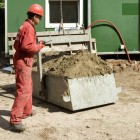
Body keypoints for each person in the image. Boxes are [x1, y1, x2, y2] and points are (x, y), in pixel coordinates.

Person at [10, 4, 45, 132]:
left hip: (21, 59)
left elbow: (16, 44)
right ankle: (15, 120)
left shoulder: (24, 26)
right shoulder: (29, 28)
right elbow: (27, 47)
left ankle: (26, 111)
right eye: (40, 17)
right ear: (35, 16)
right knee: (23, 90)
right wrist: (40, 46)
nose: (40, 20)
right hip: (23, 61)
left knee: (28, 86)